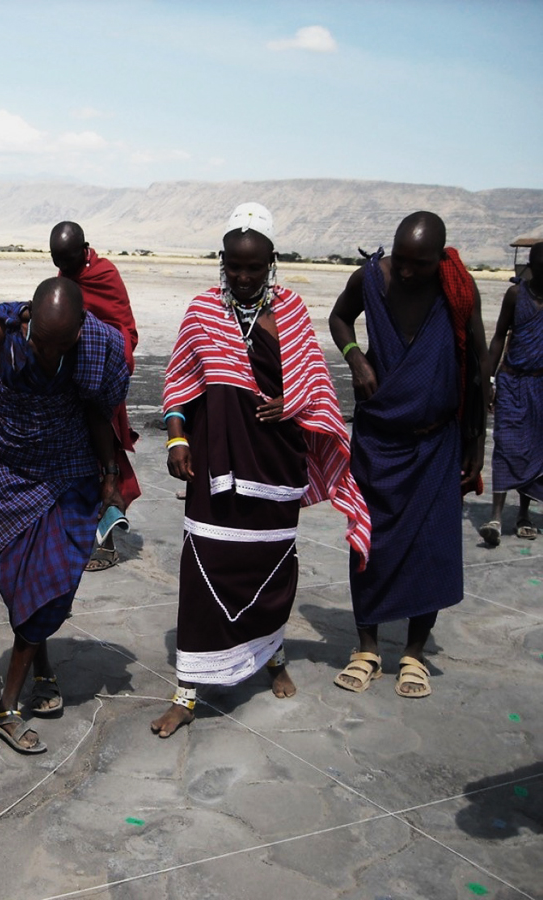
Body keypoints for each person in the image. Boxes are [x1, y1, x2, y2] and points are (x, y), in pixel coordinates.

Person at [151, 203, 371, 738]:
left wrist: (290, 401)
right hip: (215, 466)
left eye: (255, 267)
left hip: (275, 464)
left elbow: (318, 388)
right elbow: (180, 384)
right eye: (234, 266)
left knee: (271, 568)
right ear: (221, 262)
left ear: (272, 262)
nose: (244, 277)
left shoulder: (292, 311)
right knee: (203, 570)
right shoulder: (202, 311)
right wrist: (179, 438)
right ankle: (187, 691)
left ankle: (271, 656)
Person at [0, 276, 129, 754]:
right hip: (3, 471)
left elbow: (98, 412)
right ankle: (41, 665)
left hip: (68, 470)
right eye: (42, 345)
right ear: (28, 318)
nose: (50, 355)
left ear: (78, 331)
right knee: (23, 586)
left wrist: (110, 474)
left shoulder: (93, 345)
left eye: (61, 345)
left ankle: (6, 709)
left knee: (49, 587)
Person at [329, 211, 488, 699]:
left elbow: (479, 369)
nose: (405, 272)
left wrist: (476, 448)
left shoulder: (458, 290)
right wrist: (355, 355)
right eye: (400, 259)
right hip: (379, 439)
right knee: (368, 542)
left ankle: (414, 653)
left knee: (432, 548)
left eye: (418, 264)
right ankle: (367, 647)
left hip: (438, 441)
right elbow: (339, 318)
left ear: (439, 259)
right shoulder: (369, 279)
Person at [50, 221, 142, 570]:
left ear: (85, 248)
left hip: (102, 380)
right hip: (70, 382)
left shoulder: (105, 274)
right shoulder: (63, 277)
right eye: (59, 262)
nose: (67, 269)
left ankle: (105, 544)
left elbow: (126, 330)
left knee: (103, 459)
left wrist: (95, 347)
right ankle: (72, 537)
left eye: (71, 262)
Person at [479, 241, 543, 545]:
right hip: (512, 383)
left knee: (536, 450)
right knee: (505, 445)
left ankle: (524, 515)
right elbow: (498, 338)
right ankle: (495, 516)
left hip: (541, 386)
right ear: (531, 267)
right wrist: (489, 380)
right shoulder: (516, 295)